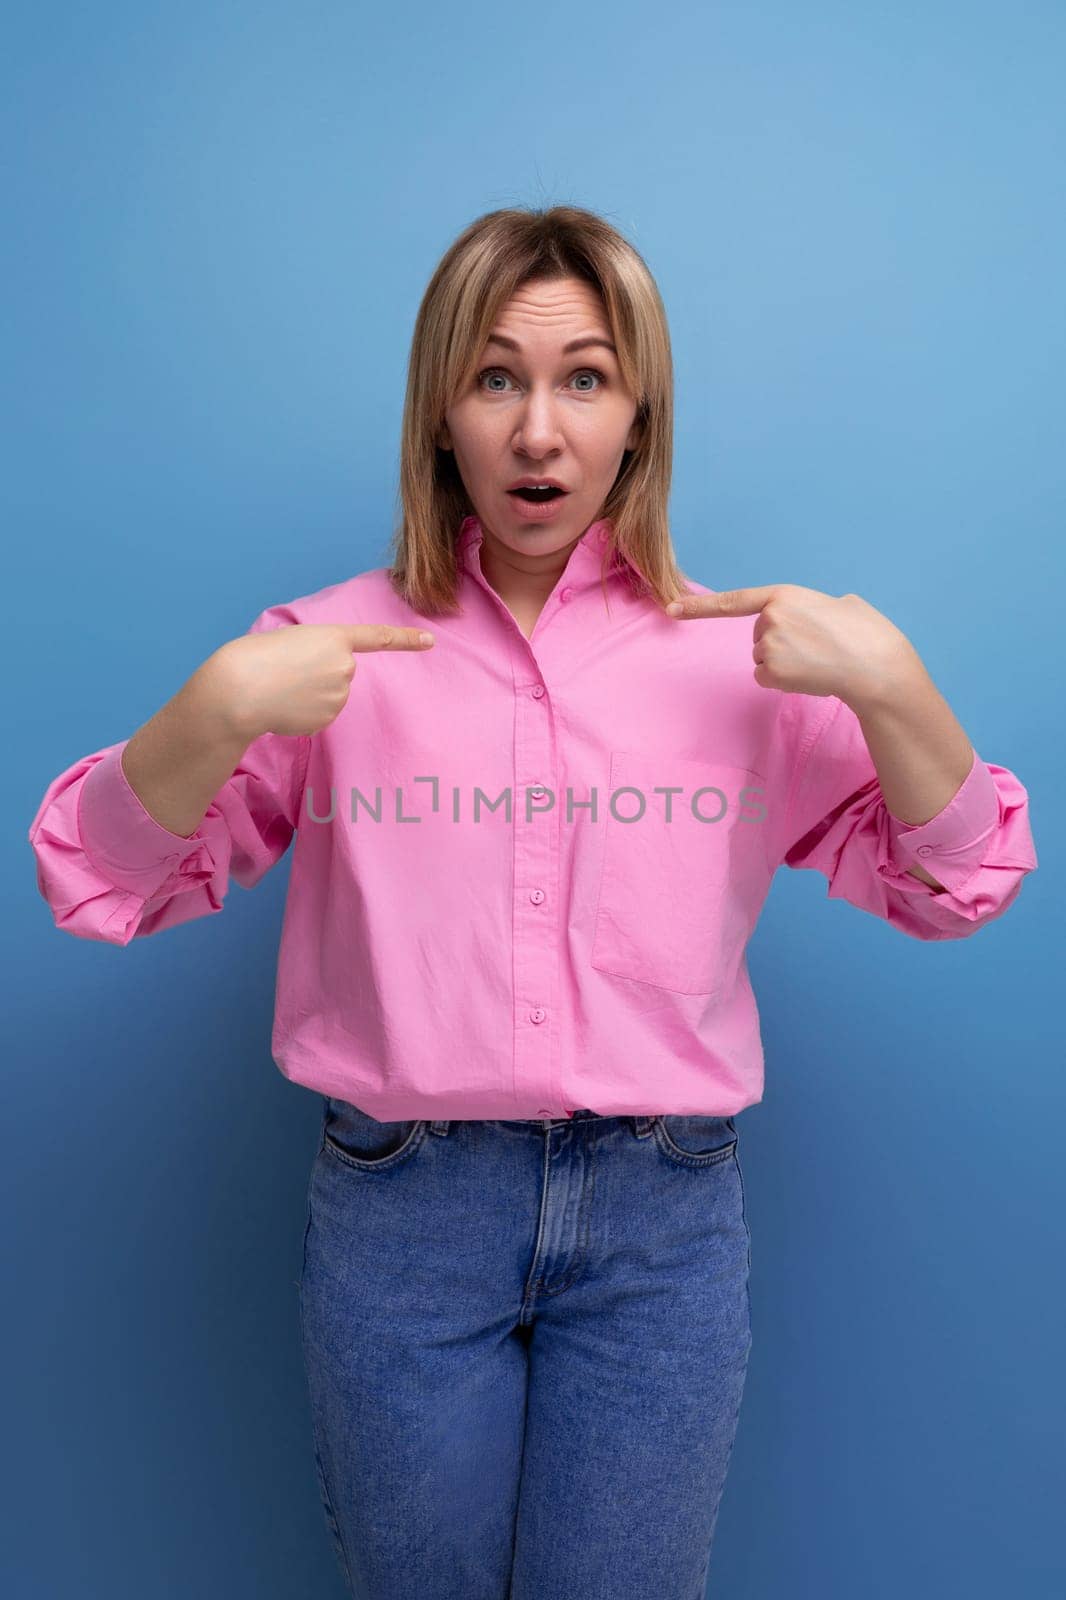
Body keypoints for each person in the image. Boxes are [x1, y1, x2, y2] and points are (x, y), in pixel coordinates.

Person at [27, 205, 1038, 1600]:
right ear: (439, 411)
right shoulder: (320, 652)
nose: (538, 431)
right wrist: (206, 712)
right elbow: (98, 883)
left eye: (584, 378)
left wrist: (896, 685)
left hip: (661, 1227)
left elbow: (956, 885)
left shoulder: (745, 660)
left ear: (640, 413)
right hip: (401, 1218)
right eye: (495, 377)